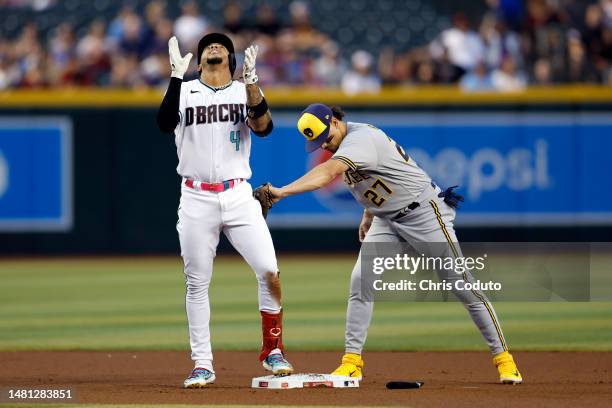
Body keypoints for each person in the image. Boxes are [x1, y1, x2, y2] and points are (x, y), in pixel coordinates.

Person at [264, 104, 523, 384]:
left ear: (337, 122)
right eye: (319, 142)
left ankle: (504, 359)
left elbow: (327, 174)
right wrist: (368, 214)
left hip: (424, 213)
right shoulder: (345, 144)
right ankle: (352, 362)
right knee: (361, 281)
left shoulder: (360, 139)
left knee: (461, 284)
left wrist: (282, 192)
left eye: (326, 136)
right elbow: (376, 179)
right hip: (387, 220)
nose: (324, 144)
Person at [156, 33, 293, 388]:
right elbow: (163, 123)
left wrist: (252, 84)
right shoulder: (184, 91)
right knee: (197, 283)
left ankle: (273, 351)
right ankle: (202, 364)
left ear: (231, 60)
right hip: (196, 196)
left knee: (270, 271)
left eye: (220, 45)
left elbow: (264, 129)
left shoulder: (242, 90)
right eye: (207, 46)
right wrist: (174, 77)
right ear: (198, 60)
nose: (213, 47)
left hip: (238, 196)